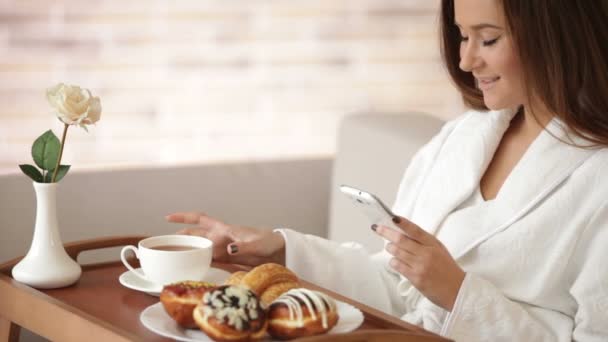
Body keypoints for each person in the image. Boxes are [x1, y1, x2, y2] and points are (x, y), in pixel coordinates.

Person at [166, 0, 608, 341]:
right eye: (461, 36)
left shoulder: (598, 178)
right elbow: (399, 286)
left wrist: (457, 293)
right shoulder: (461, 140)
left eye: (487, 39)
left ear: (556, 36)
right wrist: (276, 249)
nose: (466, 61)